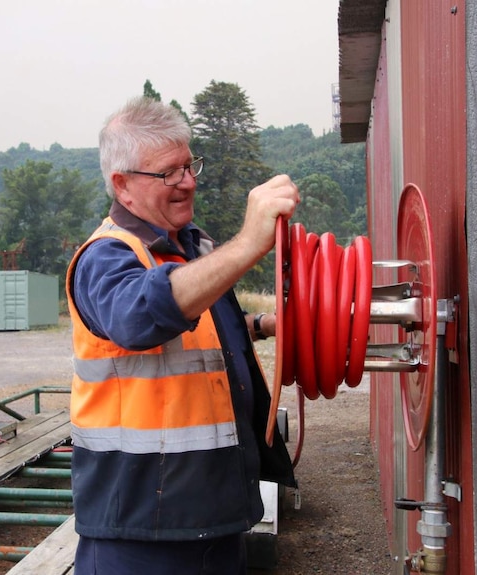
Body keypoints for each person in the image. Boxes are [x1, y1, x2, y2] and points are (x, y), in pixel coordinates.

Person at [65, 96, 299, 575]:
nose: (188, 182)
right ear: (122, 185)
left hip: (216, 515)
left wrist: (261, 326)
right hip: (140, 530)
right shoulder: (104, 257)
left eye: (190, 165)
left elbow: (206, 332)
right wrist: (250, 243)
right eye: (168, 173)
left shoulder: (192, 247)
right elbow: (138, 318)